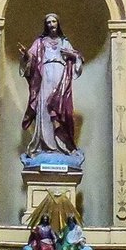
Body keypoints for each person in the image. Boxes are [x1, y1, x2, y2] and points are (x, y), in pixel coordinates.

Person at [19, 13, 83, 159]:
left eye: (53, 21)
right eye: (48, 22)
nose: (51, 24)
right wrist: (25, 56)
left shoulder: (64, 42)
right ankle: (45, 145)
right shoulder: (40, 42)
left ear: (58, 23)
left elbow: (77, 58)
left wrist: (73, 56)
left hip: (61, 75)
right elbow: (31, 57)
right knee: (44, 108)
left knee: (60, 107)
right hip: (45, 76)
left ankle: (62, 145)